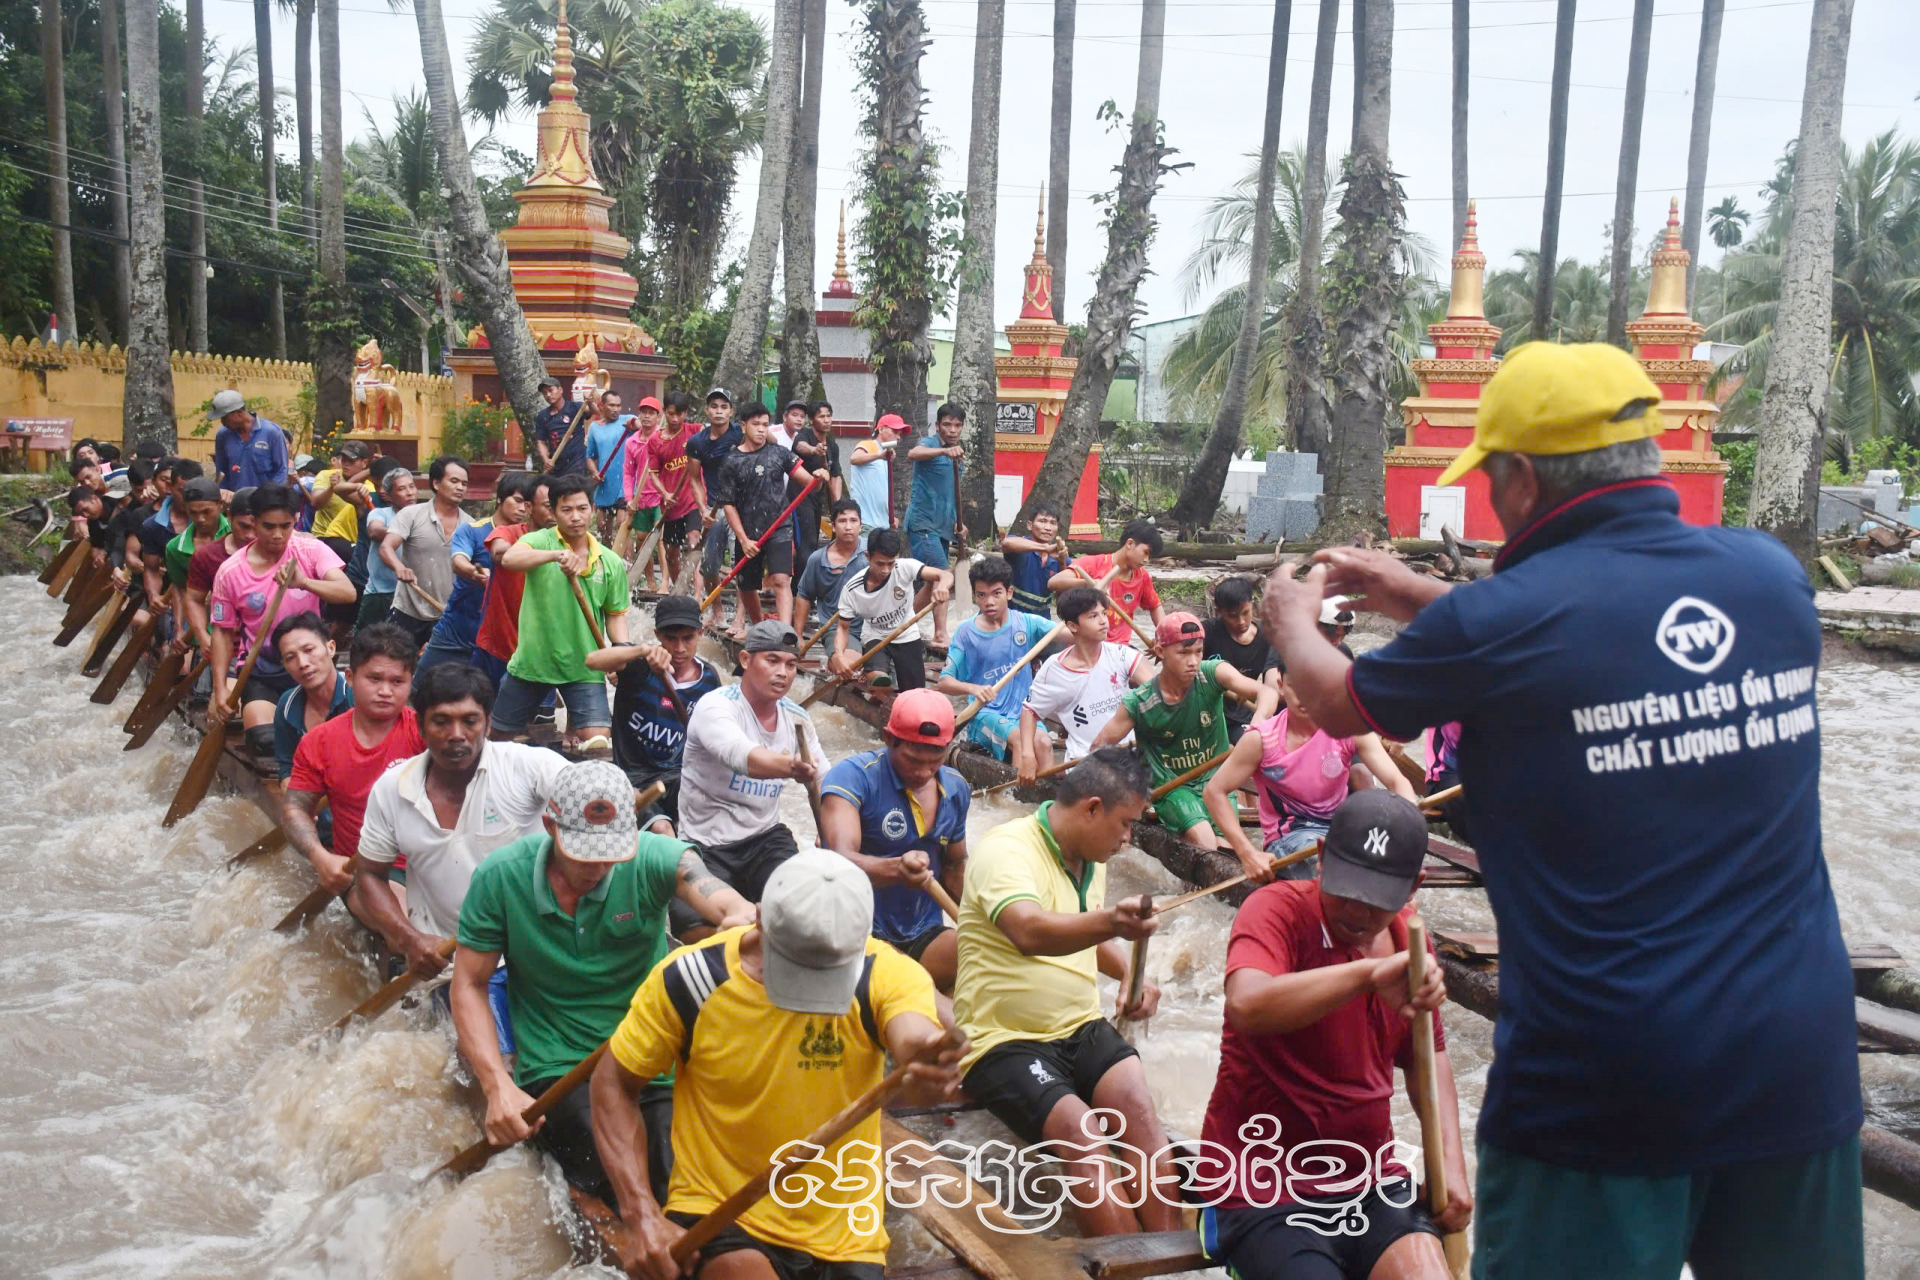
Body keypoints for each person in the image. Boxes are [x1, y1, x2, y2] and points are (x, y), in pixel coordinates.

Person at [1260, 341, 1863, 1280]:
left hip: (1606, 1078)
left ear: (1522, 481)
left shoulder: (1497, 623)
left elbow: (1338, 700)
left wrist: (1291, 617)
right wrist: (1421, 595)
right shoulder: (1771, 581)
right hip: (1799, 1057)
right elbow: (1590, 633)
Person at [588, 848, 960, 1280]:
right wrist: (642, 1217)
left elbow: (912, 1035)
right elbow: (613, 1083)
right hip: (722, 1211)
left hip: (845, 1230)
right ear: (760, 918)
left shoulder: (885, 971)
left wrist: (926, 1059)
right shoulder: (691, 979)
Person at [455, 760, 756, 1209]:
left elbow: (717, 894)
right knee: (606, 1168)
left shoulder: (651, 857)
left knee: (682, 1173)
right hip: (561, 1063)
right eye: (583, 852)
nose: (597, 867)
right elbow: (470, 983)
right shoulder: (500, 877)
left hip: (650, 1049)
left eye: (611, 852)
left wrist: (736, 918)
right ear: (549, 826)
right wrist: (497, 1085)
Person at [1198, 790, 1470, 1280]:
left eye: (1378, 900)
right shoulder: (1275, 910)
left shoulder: (1412, 940)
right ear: (1321, 858)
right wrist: (1367, 975)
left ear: (1415, 886)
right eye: (1346, 889)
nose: (1358, 912)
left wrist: (1452, 1162)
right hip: (1264, 1185)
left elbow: (1430, 1060)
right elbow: (1247, 1006)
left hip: (1371, 1179)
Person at [952, 746, 1181, 1237]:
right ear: (1092, 808)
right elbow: (1029, 931)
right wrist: (1110, 921)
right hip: (1002, 1039)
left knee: (1140, 1112)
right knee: (1083, 1132)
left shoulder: (1092, 857)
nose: (1127, 840)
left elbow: (1082, 933)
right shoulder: (1005, 848)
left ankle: (1173, 1261)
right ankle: (1128, 1267)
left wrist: (1128, 976)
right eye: (1124, 825)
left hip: (1079, 1025)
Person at [352, 664, 568, 987]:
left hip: (540, 950)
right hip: (449, 963)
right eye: (441, 721)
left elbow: (588, 793)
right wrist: (411, 940)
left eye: (470, 721)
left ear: (488, 724)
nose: (456, 734)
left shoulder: (527, 767)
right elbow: (369, 874)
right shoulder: (391, 789)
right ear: (421, 727)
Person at [1202, 667, 1419, 884]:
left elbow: (1396, 781)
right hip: (1291, 836)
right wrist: (1247, 854)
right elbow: (1214, 792)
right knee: (1342, 869)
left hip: (1342, 829)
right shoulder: (1260, 740)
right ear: (1281, 686)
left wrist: (1409, 818)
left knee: (1390, 865)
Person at [677, 620, 826, 922]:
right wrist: (789, 767)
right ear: (745, 660)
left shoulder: (798, 719)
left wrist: (833, 828)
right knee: (694, 928)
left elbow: (827, 782)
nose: (783, 673)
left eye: (791, 664)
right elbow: (742, 756)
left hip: (765, 838)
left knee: (802, 914)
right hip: (707, 844)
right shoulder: (716, 706)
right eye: (772, 660)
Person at [820, 689, 969, 991]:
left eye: (936, 760)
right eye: (913, 760)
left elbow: (955, 866)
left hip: (925, 932)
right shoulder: (852, 778)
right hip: (859, 935)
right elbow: (837, 862)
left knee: (982, 957)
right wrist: (898, 869)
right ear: (888, 738)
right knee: (914, 992)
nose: (924, 772)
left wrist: (981, 923)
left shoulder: (956, 788)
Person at [1088, 612, 1276, 849]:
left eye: (1198, 652)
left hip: (1217, 781)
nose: (1193, 662)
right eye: (1184, 653)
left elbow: (1267, 693)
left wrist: (1257, 722)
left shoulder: (1212, 673)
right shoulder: (1140, 702)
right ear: (1160, 651)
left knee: (1231, 845)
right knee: (1207, 843)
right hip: (1173, 787)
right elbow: (1099, 748)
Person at [207, 483, 355, 758]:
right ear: (254, 522)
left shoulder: (310, 550)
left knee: (334, 743)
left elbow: (347, 592)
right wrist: (219, 691)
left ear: (295, 521)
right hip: (263, 670)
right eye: (269, 526)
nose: (278, 535)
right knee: (266, 743)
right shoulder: (230, 572)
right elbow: (222, 634)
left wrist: (304, 583)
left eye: (285, 526)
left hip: (312, 666)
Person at [282, 623, 426, 899]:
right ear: (349, 677)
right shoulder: (319, 741)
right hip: (369, 870)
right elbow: (295, 810)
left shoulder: (427, 732)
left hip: (433, 862)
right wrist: (320, 857)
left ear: (410, 684)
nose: (385, 691)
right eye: (374, 679)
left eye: (397, 682)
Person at [494, 474, 630, 750]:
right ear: (554, 512)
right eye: (566, 510)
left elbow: (615, 616)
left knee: (598, 742)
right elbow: (509, 559)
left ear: (592, 509)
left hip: (584, 665)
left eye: (582, 509)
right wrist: (555, 556)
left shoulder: (610, 561)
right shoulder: (539, 540)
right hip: (532, 663)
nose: (575, 517)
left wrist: (620, 651)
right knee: (496, 740)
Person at [588, 594, 725, 833]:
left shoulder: (710, 678)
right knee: (662, 829)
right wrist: (639, 650)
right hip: (630, 777)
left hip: (678, 776)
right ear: (658, 635)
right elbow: (592, 660)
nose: (680, 649)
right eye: (671, 639)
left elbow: (716, 734)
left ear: (701, 633)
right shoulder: (640, 665)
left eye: (687, 638)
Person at [709, 402, 828, 635]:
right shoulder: (731, 461)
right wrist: (743, 540)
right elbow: (729, 505)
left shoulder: (780, 453)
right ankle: (761, 628)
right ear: (743, 426)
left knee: (782, 579)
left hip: (779, 527)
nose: (762, 430)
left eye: (765, 424)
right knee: (746, 585)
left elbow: (810, 485)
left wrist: (819, 477)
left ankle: (784, 634)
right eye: (756, 424)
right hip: (748, 532)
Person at [1014, 584, 1147, 783]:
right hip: (1085, 764)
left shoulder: (1122, 654)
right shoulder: (1054, 669)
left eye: (1104, 613)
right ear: (1073, 626)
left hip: (1131, 757)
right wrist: (1027, 755)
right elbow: (1030, 711)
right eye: (1093, 616)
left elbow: (1156, 688)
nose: (1104, 621)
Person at [936, 555, 1053, 759]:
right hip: (985, 712)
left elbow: (1072, 632)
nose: (989, 602)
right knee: (1019, 741)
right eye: (981, 595)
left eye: (996, 593)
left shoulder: (1027, 622)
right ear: (974, 596)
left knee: (1043, 743)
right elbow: (944, 682)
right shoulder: (965, 633)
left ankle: (1046, 791)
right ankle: (1017, 791)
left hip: (1024, 710)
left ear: (1009, 593)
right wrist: (974, 688)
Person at [419, 472, 536, 673]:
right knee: (420, 689)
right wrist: (475, 572)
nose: (521, 509)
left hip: (498, 639)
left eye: (527, 504)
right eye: (516, 501)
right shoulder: (472, 530)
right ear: (499, 498)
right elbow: (458, 562)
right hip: (456, 630)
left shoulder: (532, 539)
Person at [832, 528, 952, 694]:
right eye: (880, 564)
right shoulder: (852, 589)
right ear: (868, 557)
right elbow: (842, 627)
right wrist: (839, 655)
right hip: (876, 637)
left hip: (907, 634)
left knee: (915, 692)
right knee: (878, 679)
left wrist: (944, 586)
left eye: (890, 563)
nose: (886, 570)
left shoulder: (905, 567)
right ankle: (874, 683)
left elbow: (944, 575)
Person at [472, 474, 556, 691]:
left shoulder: (569, 544)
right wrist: (550, 556)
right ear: (529, 507)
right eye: (548, 506)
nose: (555, 513)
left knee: (541, 724)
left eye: (560, 507)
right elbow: (500, 553)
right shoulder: (508, 532)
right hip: (497, 649)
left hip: (541, 655)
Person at [382, 455, 472, 649]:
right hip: (407, 610)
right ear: (437, 483)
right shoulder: (411, 514)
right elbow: (386, 547)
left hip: (447, 614)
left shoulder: (470, 526)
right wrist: (399, 567)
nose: (460, 488)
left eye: (464, 484)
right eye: (454, 481)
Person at [904, 403, 966, 649]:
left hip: (942, 527)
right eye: (948, 424)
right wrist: (942, 452)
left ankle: (901, 622)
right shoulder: (930, 444)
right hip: (922, 524)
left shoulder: (957, 453)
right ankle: (941, 634)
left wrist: (960, 524)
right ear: (938, 425)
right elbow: (913, 453)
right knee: (943, 576)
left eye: (957, 425)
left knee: (932, 582)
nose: (952, 430)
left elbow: (951, 494)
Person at [1048, 520, 1166, 647]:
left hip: (1121, 647)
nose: (1146, 560)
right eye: (1146, 552)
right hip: (1087, 646)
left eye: (1150, 556)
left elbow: (1155, 607)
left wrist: (1165, 638)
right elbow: (1053, 582)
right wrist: (1090, 584)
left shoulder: (1142, 577)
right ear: (1130, 543)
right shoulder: (1093, 564)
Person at [628, 392, 700, 588]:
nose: (675, 419)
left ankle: (696, 592)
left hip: (694, 501)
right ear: (665, 414)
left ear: (686, 413)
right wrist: (665, 494)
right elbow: (652, 473)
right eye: (671, 414)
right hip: (671, 505)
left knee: (695, 541)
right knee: (671, 552)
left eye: (679, 414)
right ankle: (679, 591)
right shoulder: (656, 441)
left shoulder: (695, 432)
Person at [686, 388, 743, 630]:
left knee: (743, 564)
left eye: (723, 407)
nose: (719, 411)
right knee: (709, 565)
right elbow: (695, 479)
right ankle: (717, 612)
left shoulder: (740, 434)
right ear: (707, 411)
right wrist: (702, 510)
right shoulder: (697, 442)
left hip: (742, 508)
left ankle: (740, 619)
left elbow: (767, 439)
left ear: (731, 411)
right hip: (715, 509)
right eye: (714, 407)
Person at [270, 611, 350, 782]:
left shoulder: (358, 696)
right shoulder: (287, 705)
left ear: (331, 648)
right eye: (291, 658)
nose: (303, 663)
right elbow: (288, 768)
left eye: (309, 650)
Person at [1204, 576, 1281, 735]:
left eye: (1246, 613)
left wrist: (1262, 710)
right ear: (1219, 611)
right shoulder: (1206, 631)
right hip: (1209, 714)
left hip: (1244, 716)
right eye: (1232, 616)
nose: (1241, 622)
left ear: (1252, 604)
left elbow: (1272, 685)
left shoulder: (1268, 636)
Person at [792, 500, 868, 636]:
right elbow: (804, 595)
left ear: (861, 526)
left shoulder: (874, 552)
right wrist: (798, 635)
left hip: (873, 629)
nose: (848, 527)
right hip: (837, 630)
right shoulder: (818, 559)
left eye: (853, 521)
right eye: (842, 521)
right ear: (833, 526)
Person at [357, 467, 416, 629]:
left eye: (412, 486)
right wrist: (403, 533)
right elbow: (374, 531)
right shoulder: (381, 514)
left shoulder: (423, 516)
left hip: (412, 593)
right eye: (402, 489)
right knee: (367, 646)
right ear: (389, 496)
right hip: (380, 594)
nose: (410, 493)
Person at [209, 389, 292, 495]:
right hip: (235, 503)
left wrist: (270, 497)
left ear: (238, 412)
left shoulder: (271, 432)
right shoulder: (223, 435)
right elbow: (222, 472)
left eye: (224, 418)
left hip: (265, 502)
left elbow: (281, 470)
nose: (222, 422)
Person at [1001, 503, 1067, 620]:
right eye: (1042, 521)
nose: (1048, 527)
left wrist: (1062, 562)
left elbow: (1063, 597)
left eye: (1053, 523)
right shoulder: (1020, 546)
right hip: (1011, 618)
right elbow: (1006, 543)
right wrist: (1045, 548)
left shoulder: (1060, 556)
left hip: (1041, 621)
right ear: (1029, 525)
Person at [587, 388, 635, 545]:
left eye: (618, 405)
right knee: (602, 528)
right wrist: (595, 472)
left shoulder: (628, 420)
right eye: (612, 405)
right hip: (605, 484)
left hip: (624, 483)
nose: (616, 409)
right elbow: (590, 457)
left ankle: (626, 567)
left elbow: (642, 425)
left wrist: (635, 425)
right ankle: (609, 563)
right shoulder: (594, 428)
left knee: (623, 525)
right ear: (602, 406)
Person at [847, 414, 900, 537]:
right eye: (895, 431)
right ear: (881, 429)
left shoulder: (887, 455)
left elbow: (881, 490)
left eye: (900, 434)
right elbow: (854, 458)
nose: (898, 437)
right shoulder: (869, 445)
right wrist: (879, 456)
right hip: (865, 523)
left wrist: (890, 516)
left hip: (883, 525)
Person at [531, 377, 589, 476]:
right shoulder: (543, 416)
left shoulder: (575, 408)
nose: (548, 395)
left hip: (578, 465)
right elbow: (541, 442)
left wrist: (591, 402)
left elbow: (594, 412)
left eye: (550, 390)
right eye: (545, 393)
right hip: (557, 467)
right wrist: (546, 460)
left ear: (560, 390)